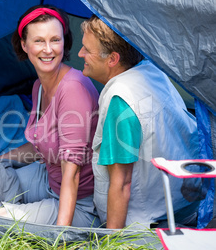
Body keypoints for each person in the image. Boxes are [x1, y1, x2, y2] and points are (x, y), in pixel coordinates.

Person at [0, 5, 100, 227]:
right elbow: (39, 146)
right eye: (39, 41)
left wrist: (60, 235)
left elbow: (72, 173)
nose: (48, 49)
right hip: (49, 180)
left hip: (79, 203)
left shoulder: (74, 89)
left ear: (65, 42)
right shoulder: (39, 86)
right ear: (24, 45)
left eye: (55, 40)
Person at [78, 15, 202, 229]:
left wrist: (110, 248)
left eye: (87, 50)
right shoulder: (152, 70)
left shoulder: (121, 101)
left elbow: (121, 184)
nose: (80, 54)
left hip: (151, 222)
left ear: (112, 59)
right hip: (187, 204)